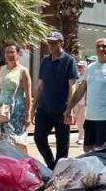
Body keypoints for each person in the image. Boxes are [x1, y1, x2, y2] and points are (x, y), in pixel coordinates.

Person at [64, 38, 106, 151]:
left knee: (101, 149)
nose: (101, 49)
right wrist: (69, 108)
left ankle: (102, 168)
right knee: (87, 148)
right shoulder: (91, 67)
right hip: (90, 116)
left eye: (104, 46)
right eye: (98, 46)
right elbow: (81, 90)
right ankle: (93, 168)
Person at [32, 31, 78, 169]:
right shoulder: (45, 61)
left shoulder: (69, 61)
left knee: (62, 144)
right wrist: (33, 107)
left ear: (61, 43)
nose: (50, 46)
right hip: (44, 108)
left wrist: (70, 109)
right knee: (39, 138)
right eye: (49, 43)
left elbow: (72, 87)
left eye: (53, 43)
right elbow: (40, 86)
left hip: (61, 110)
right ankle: (52, 166)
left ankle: (60, 170)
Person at [0, 42, 32, 155]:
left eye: (12, 52)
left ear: (18, 54)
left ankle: (27, 165)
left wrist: (28, 114)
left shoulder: (23, 71)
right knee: (3, 141)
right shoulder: (1, 69)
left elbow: (28, 95)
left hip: (17, 111)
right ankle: (8, 167)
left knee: (19, 141)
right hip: (1, 110)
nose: (9, 54)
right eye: (7, 52)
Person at [72, 58, 90, 145]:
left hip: (84, 102)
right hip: (76, 102)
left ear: (85, 67)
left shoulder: (88, 77)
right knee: (78, 120)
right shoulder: (77, 76)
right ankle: (81, 136)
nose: (79, 68)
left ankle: (81, 137)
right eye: (78, 67)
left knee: (82, 120)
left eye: (81, 67)